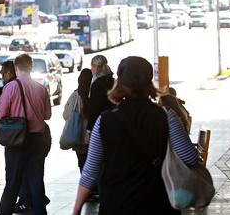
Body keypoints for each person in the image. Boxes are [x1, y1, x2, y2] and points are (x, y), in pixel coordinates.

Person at [73, 56, 200, 215]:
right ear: (148, 83)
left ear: (119, 83)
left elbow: (90, 172)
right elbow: (189, 157)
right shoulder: (166, 117)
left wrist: (77, 208)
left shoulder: (104, 121)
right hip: (157, 203)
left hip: (117, 205)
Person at [0, 54, 51, 215]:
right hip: (37, 139)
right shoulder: (41, 88)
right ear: (31, 67)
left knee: (13, 179)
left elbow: (0, 114)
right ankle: (40, 211)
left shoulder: (11, 87)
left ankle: (5, 212)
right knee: (36, 179)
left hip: (17, 140)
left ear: (16, 66)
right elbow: (47, 115)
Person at [63, 68, 93, 172]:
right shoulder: (95, 94)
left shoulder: (75, 95)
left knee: (82, 165)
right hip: (92, 137)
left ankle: (85, 185)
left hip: (78, 136)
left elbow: (66, 114)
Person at [86, 55, 115, 140]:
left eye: (92, 66)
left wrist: (88, 131)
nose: (91, 69)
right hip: (114, 122)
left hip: (101, 125)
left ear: (97, 67)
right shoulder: (114, 81)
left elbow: (94, 109)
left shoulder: (96, 84)